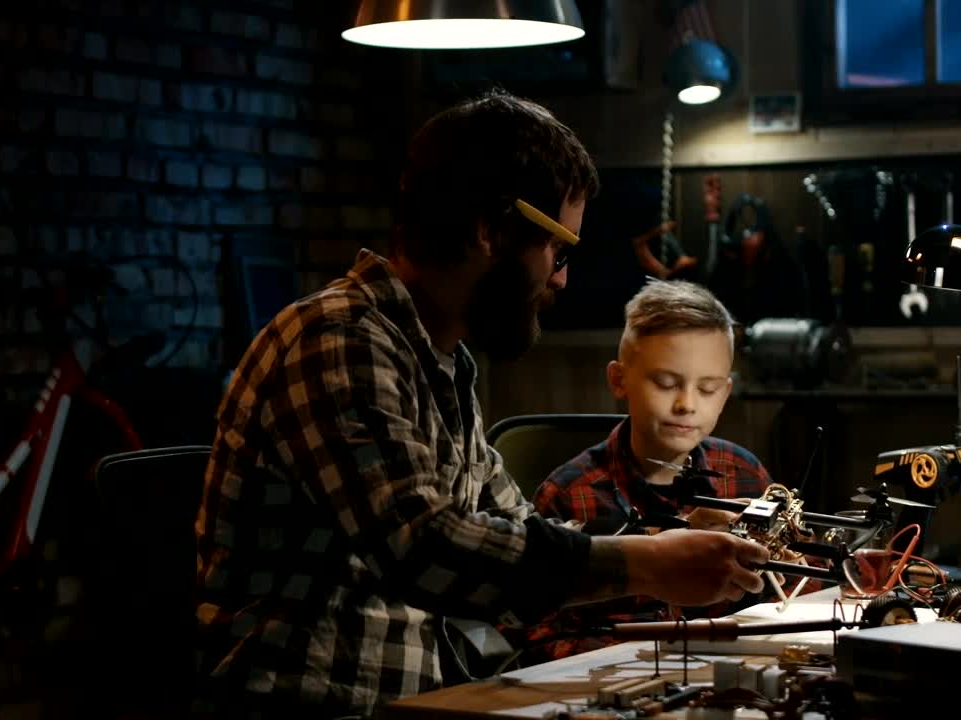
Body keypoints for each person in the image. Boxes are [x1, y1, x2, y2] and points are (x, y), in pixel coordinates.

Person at [191, 89, 769, 719]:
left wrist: (669, 542)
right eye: (558, 251)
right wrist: (645, 565)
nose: (561, 279)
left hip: (427, 702)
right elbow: (426, 548)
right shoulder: (337, 341)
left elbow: (513, 534)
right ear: (491, 230)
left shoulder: (438, 359)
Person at [521, 279, 781, 663]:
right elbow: (534, 642)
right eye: (665, 383)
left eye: (707, 389)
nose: (686, 404)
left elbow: (787, 604)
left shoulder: (745, 474)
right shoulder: (567, 494)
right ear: (619, 380)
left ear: (725, 394)